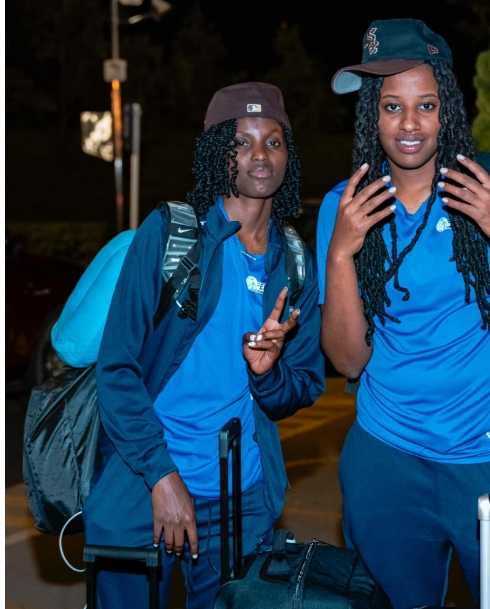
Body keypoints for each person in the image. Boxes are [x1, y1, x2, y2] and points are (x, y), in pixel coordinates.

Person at [317, 19, 490, 608]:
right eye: (391, 107)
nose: (409, 125)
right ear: (370, 114)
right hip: (389, 457)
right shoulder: (344, 205)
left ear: (448, 108)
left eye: (426, 105)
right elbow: (348, 360)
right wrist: (339, 253)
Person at [86, 83, 324, 607]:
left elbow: (300, 389)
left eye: (274, 141)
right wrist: (162, 474)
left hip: (240, 500)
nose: (261, 155)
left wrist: (267, 373)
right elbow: (117, 367)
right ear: (219, 152)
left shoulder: (296, 262)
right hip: (145, 486)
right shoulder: (173, 234)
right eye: (242, 142)